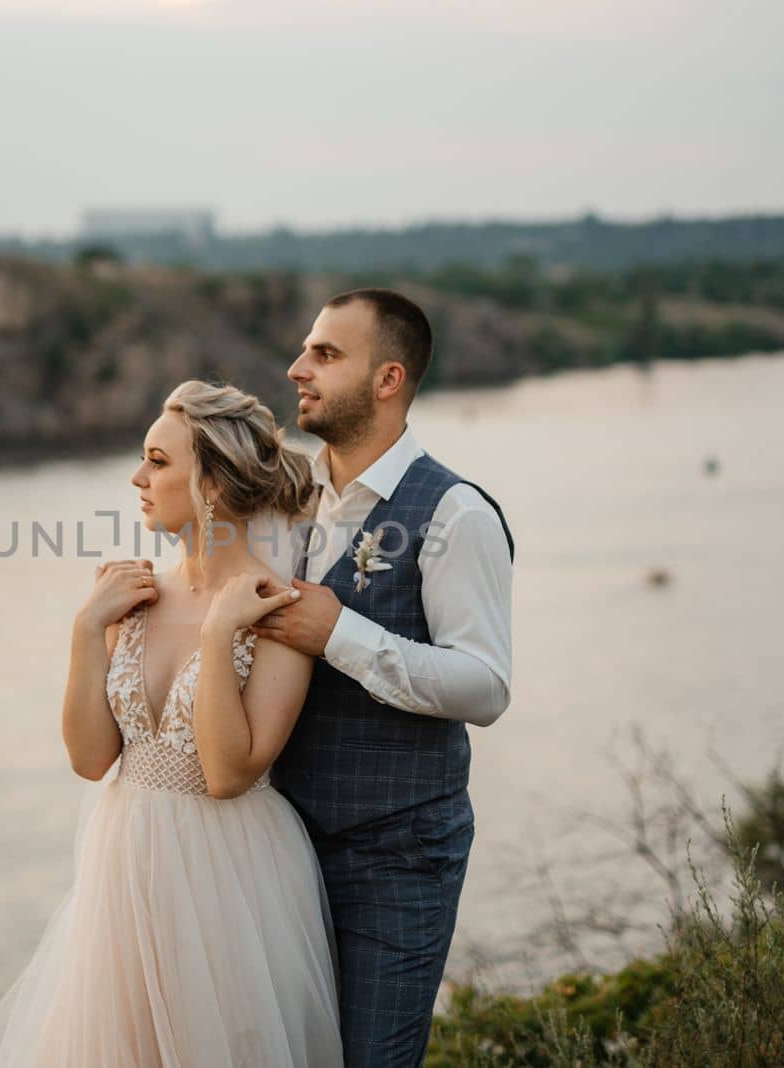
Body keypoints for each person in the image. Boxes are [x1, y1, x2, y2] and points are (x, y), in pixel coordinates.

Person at [0, 380, 344, 1067]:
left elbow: (227, 775)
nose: (138, 477)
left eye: (158, 462)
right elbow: (91, 758)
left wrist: (221, 633)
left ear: (214, 484)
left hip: (229, 875)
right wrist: (86, 627)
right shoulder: (133, 595)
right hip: (123, 862)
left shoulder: (279, 611)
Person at [253, 288, 515, 1068]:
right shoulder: (289, 503)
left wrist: (342, 634)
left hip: (398, 858)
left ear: (389, 378)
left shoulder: (455, 513)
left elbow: (484, 686)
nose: (299, 368)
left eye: (326, 355)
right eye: (306, 350)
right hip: (282, 848)